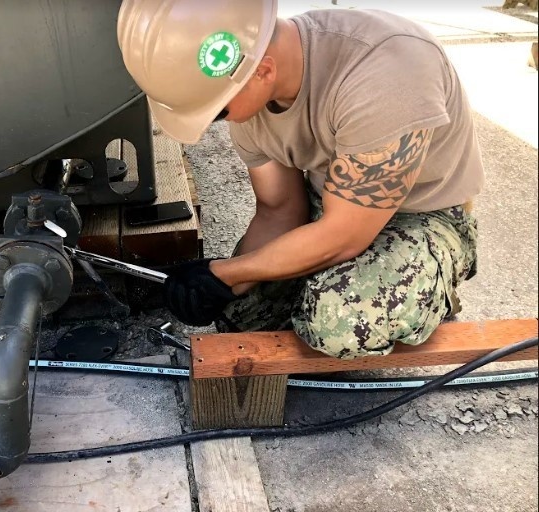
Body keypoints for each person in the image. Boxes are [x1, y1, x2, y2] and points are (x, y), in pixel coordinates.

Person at [117, 0, 483, 359]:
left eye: (217, 112)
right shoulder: (250, 98)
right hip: (333, 211)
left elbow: (343, 237)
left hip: (423, 218)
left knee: (337, 319)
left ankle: (429, 291)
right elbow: (279, 210)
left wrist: (225, 272)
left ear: (262, 71)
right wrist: (222, 285)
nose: (218, 121)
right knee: (242, 318)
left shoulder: (388, 71)